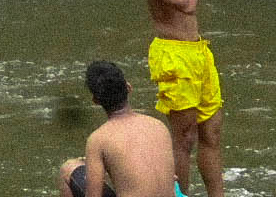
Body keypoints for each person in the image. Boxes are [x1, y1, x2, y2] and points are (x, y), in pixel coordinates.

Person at [139, 0, 232, 197]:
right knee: (185, 138)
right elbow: (187, 4)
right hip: (173, 54)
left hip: (199, 52)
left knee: (212, 132)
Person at [57, 59, 182, 197]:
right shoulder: (158, 126)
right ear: (128, 87)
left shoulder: (98, 140)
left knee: (68, 168)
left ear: (95, 100)